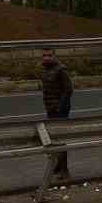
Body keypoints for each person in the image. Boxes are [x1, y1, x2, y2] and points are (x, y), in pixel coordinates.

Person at [39, 47, 74, 178]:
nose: (46, 58)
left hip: (60, 109)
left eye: (49, 55)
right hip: (50, 108)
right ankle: (59, 165)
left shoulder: (61, 70)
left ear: (54, 56)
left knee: (61, 138)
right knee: (54, 138)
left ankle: (65, 170)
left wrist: (60, 107)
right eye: (44, 55)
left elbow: (68, 89)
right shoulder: (45, 69)